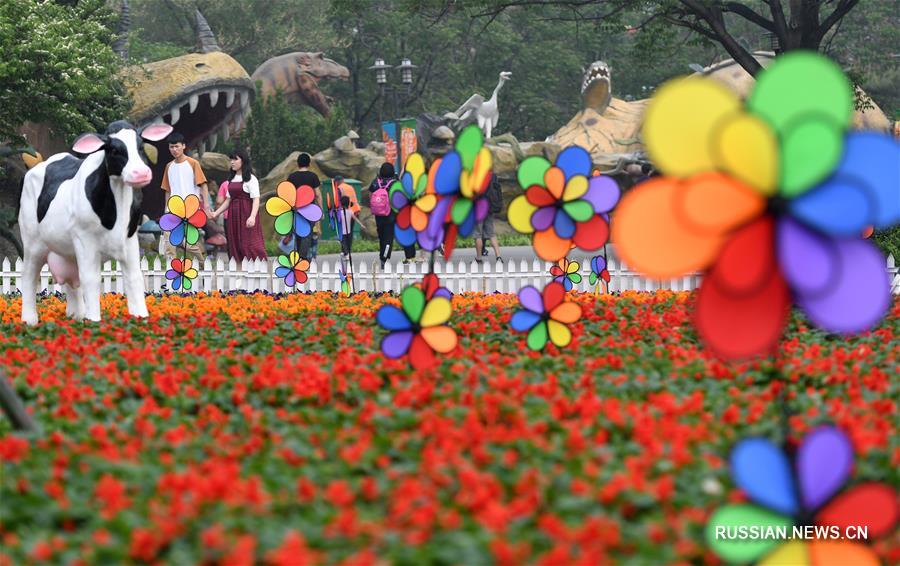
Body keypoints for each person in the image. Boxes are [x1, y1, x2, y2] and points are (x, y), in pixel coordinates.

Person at [160, 133, 214, 262]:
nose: (174, 149)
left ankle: (202, 261)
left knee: (187, 243)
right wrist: (166, 209)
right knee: (169, 242)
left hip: (190, 209)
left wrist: (206, 206)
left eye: (177, 146)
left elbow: (203, 185)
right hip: (173, 210)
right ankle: (172, 271)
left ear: (183, 146)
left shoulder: (193, 163)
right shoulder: (169, 166)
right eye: (171, 147)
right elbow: (167, 190)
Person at [209, 150, 266, 263]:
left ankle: (256, 271)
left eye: (235, 159)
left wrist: (252, 217)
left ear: (243, 161)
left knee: (249, 244)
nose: (232, 162)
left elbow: (256, 199)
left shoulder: (251, 178)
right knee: (235, 245)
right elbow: (228, 200)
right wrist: (216, 213)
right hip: (233, 217)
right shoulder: (232, 179)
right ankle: (239, 275)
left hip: (246, 215)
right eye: (231, 159)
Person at [369, 162, 413, 268]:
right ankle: (384, 259)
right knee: (389, 238)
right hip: (391, 214)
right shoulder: (395, 183)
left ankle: (382, 256)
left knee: (382, 237)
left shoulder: (376, 182)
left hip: (378, 214)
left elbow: (370, 195)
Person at [286, 153, 323, 260]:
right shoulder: (313, 176)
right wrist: (320, 210)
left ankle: (298, 255)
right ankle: (303, 257)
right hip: (310, 210)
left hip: (296, 209)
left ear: (298, 164)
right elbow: (317, 194)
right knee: (307, 233)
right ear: (309, 164)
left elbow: (288, 193)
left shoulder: (292, 177)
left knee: (298, 232)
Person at [474, 174, 503, 264]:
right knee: (491, 234)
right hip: (489, 207)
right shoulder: (492, 175)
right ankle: (498, 257)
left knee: (477, 235)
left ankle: (479, 258)